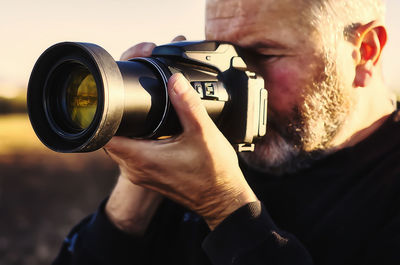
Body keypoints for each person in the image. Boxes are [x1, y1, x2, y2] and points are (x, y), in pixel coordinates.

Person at [53, 0, 400, 264]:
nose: (238, 83)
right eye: (223, 56)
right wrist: (136, 191)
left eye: (263, 53)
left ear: (365, 51)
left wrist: (225, 207)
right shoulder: (200, 154)